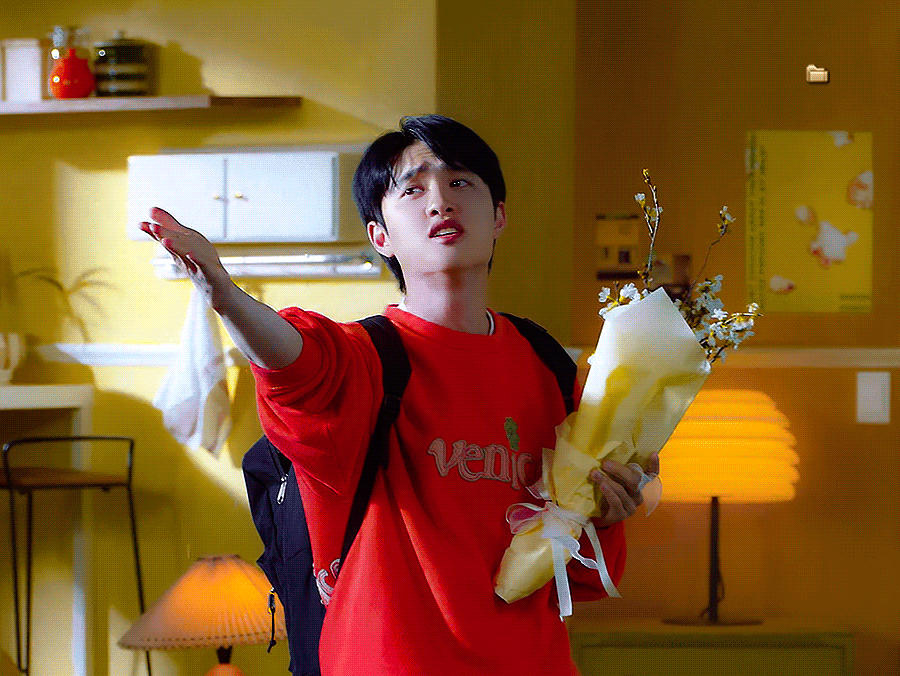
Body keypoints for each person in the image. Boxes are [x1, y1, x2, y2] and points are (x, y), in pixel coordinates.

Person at [140, 115, 658, 676]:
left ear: (499, 216)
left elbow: (577, 571)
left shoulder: (547, 364)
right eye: (412, 189)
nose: (440, 201)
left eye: (460, 181)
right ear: (379, 236)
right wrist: (223, 294)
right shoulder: (364, 359)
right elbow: (295, 362)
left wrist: (609, 508)